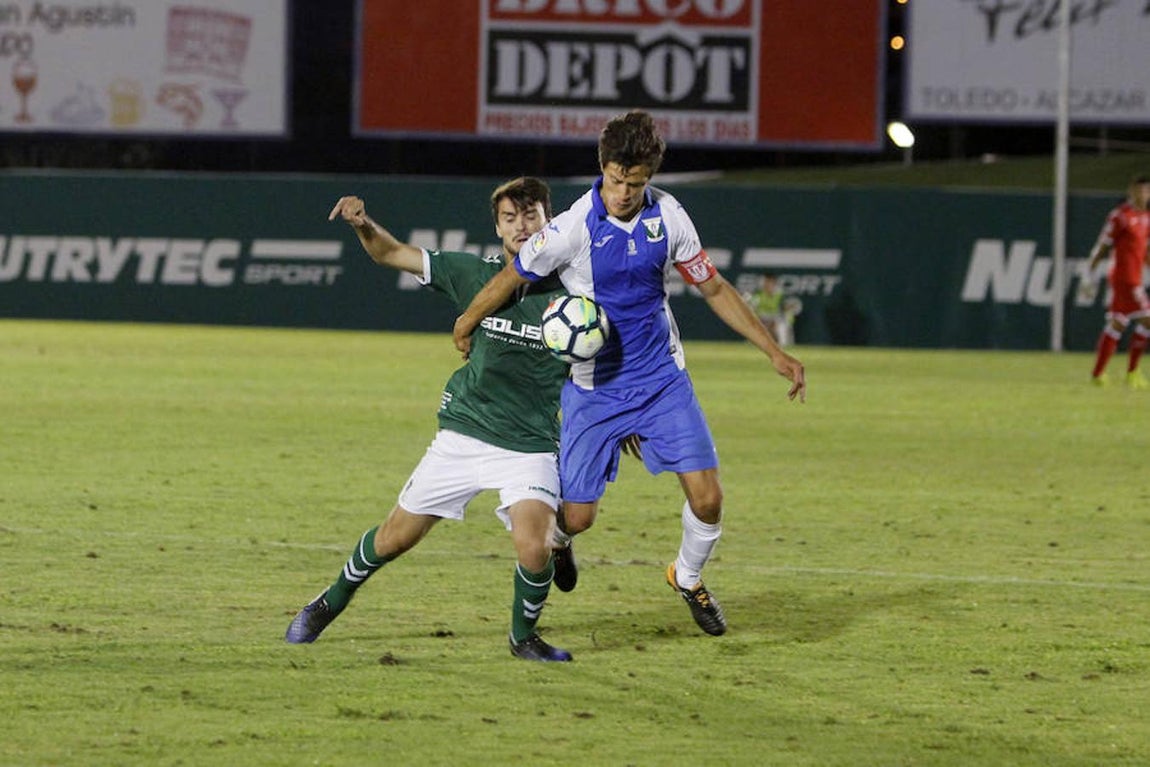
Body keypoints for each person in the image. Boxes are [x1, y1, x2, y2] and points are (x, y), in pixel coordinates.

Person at [452, 110, 806, 637]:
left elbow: (713, 288)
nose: (623, 192)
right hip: (594, 391)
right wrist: (467, 319)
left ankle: (687, 577)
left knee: (708, 499)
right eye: (616, 180)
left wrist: (773, 351)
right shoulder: (571, 227)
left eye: (635, 184)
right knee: (576, 517)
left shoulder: (670, 217)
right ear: (603, 168)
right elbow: (511, 274)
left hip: (662, 381)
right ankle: (565, 543)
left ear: (650, 178)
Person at [285, 177, 577, 661]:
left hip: (528, 444)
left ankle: (523, 638)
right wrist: (363, 224)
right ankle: (325, 603)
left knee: (533, 547)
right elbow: (392, 254)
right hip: (464, 433)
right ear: (497, 227)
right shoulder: (470, 272)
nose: (522, 227)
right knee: (394, 538)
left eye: (531, 217)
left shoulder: (575, 291)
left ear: (551, 220)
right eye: (510, 219)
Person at [1083, 174, 1150, 389]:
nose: (1143, 194)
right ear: (1131, 191)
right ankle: (1132, 372)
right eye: (1139, 190)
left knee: (1118, 323)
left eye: (1147, 190)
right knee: (1147, 321)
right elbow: (1103, 245)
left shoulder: (1147, 217)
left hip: (1134, 277)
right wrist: (1089, 274)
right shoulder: (1120, 216)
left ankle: (1098, 374)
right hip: (1124, 278)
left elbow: (1143, 251)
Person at [748, 272, 801, 347]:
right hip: (763, 320)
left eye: (769, 282)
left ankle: (784, 346)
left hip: (779, 319)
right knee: (754, 323)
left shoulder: (781, 294)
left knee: (779, 325)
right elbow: (752, 309)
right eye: (765, 282)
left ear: (774, 283)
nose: (766, 285)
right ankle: (754, 345)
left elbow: (787, 309)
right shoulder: (758, 294)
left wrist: (774, 321)